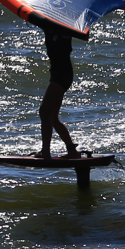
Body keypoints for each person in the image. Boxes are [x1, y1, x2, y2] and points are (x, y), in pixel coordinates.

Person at [34, 26, 81, 160]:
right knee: (52, 116)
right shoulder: (49, 27)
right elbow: (37, 20)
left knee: (44, 112)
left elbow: (83, 35)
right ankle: (72, 151)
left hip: (61, 76)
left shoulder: (65, 29)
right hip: (59, 75)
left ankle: (45, 152)